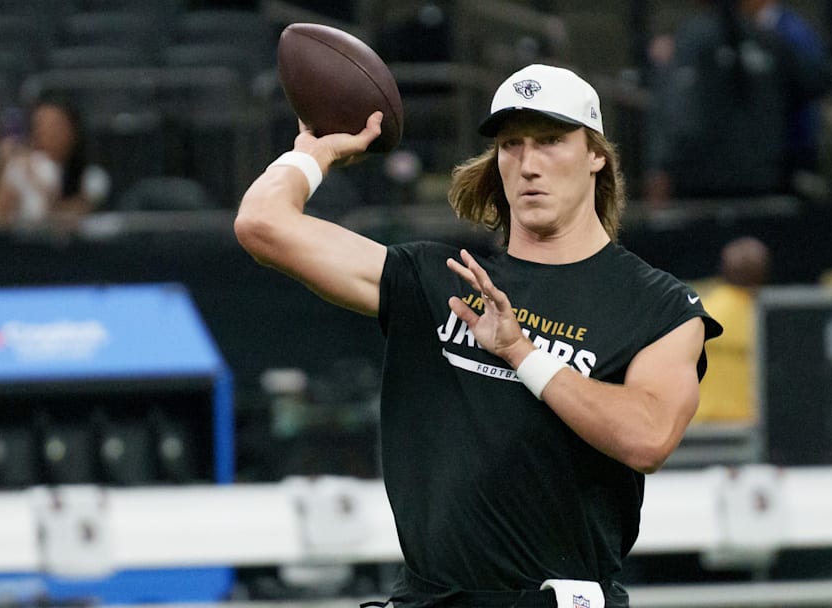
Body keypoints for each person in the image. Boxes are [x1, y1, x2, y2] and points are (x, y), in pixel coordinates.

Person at [234, 63, 723, 607]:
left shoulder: (657, 306)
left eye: (551, 141)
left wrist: (521, 351)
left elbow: (648, 437)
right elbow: (262, 224)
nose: (528, 164)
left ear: (596, 156)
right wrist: (316, 151)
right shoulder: (440, 280)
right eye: (511, 145)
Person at [643, 0, 832, 206]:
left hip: (756, 184)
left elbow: (820, 75)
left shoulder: (769, 42)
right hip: (720, 187)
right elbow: (675, 110)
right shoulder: (691, 43)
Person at [0, 97, 109, 231]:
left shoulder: (92, 177)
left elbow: (73, 218)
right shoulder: (19, 167)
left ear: (72, 129)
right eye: (40, 125)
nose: (47, 132)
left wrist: (37, 185)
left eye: (55, 125)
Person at [693, 236, 770, 423]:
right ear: (764, 274)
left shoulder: (698, 313)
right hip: (749, 427)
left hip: (697, 424)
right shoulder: (765, 321)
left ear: (722, 269)